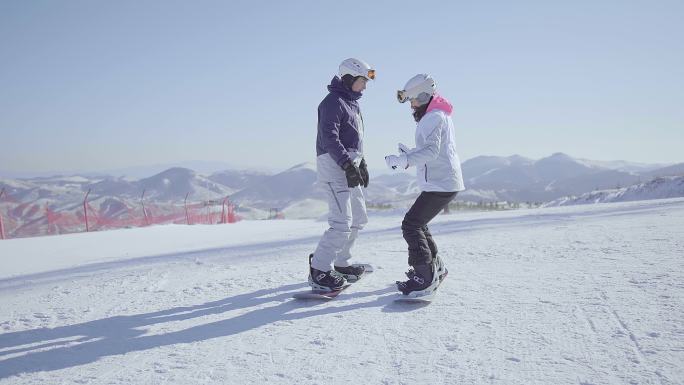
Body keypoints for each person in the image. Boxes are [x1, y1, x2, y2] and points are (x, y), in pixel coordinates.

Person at [385, 74, 465, 295]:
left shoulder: (433, 117)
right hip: (442, 181)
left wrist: (404, 161)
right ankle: (434, 268)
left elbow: (431, 151)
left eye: (413, 100)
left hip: (442, 183)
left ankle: (425, 277)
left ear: (423, 95)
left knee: (411, 225)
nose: (411, 105)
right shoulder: (435, 115)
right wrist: (410, 154)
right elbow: (433, 150)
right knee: (418, 224)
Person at [309, 58, 375, 291]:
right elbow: (330, 138)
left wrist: (361, 162)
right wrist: (347, 164)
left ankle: (341, 262)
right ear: (348, 79)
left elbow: (354, 138)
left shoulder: (352, 103)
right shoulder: (332, 102)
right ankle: (319, 270)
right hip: (334, 165)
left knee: (358, 218)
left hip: (349, 165)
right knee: (341, 222)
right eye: (361, 81)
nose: (364, 87)